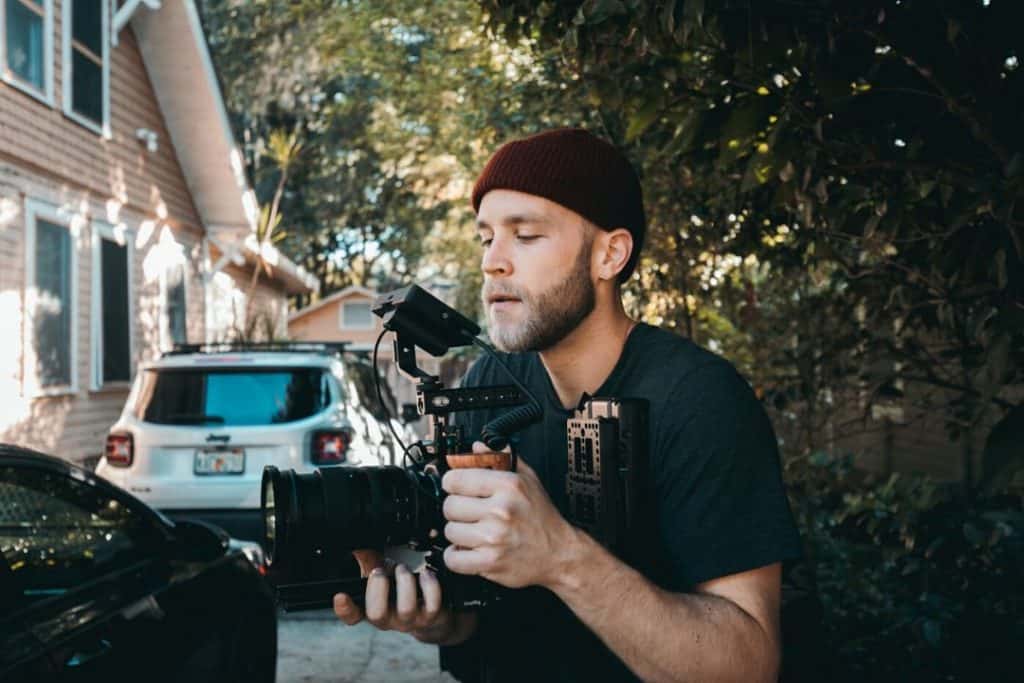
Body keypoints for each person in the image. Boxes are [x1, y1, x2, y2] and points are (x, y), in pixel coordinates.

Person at [332, 128, 803, 682]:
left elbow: (748, 666)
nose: (493, 263)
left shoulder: (699, 399)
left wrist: (561, 557)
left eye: (525, 235)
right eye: (486, 239)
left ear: (610, 254)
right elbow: (483, 621)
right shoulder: (489, 381)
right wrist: (435, 617)